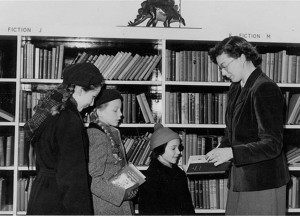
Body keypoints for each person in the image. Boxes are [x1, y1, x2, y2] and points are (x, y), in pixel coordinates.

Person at [205, 36, 290, 215]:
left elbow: (272, 144)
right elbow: (233, 132)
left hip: (263, 183)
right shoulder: (236, 87)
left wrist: (232, 153)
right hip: (241, 180)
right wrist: (222, 148)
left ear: (242, 57)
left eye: (224, 65)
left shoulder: (265, 88)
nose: (223, 73)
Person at [26, 63, 104, 215]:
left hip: (41, 195)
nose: (92, 104)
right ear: (80, 90)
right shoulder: (70, 120)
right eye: (93, 97)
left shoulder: (51, 110)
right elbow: (73, 179)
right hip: (59, 202)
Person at [87, 89, 137, 215]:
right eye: (115, 110)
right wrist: (121, 194)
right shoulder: (97, 136)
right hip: (107, 207)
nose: (120, 115)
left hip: (118, 205)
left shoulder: (112, 132)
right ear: (99, 111)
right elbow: (93, 179)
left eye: (120, 110)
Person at [138, 123, 195, 215]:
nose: (178, 152)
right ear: (159, 150)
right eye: (173, 148)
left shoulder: (179, 173)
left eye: (179, 147)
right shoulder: (150, 178)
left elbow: (188, 207)